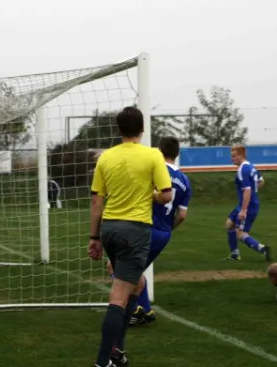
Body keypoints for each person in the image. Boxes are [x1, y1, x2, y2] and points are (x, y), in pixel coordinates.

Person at [88, 106, 173, 367]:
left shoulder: (105, 157)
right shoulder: (153, 156)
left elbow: (96, 200)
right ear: (142, 128)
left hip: (110, 228)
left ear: (118, 129)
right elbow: (166, 194)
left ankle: (118, 351)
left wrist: (94, 237)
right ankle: (103, 361)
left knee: (135, 285)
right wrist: (153, 196)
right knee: (120, 294)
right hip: (135, 230)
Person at [106, 136, 192, 327]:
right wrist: (170, 228)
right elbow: (182, 215)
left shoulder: (155, 170)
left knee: (114, 266)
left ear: (159, 151)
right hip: (164, 233)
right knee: (136, 271)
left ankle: (135, 309)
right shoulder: (185, 180)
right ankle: (147, 310)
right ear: (177, 154)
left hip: (144, 228)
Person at [224, 145, 272, 262]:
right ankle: (235, 253)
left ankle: (263, 249)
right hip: (245, 204)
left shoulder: (242, 169)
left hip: (247, 206)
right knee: (229, 224)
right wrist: (253, 192)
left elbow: (247, 190)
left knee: (240, 234)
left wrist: (244, 210)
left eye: (234, 156)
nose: (232, 158)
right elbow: (261, 181)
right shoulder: (250, 167)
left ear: (241, 155)